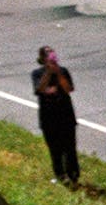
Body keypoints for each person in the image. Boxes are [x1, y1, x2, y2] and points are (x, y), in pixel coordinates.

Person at [31, 47, 79, 188]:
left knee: (70, 148)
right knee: (55, 149)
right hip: (49, 118)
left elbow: (69, 88)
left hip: (66, 116)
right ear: (43, 59)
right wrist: (48, 72)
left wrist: (57, 73)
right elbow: (39, 89)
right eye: (47, 54)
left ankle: (74, 175)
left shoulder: (62, 71)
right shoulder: (37, 73)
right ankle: (60, 175)